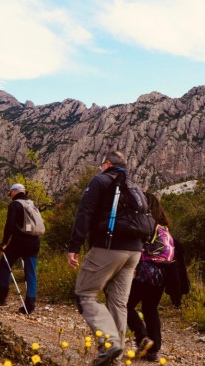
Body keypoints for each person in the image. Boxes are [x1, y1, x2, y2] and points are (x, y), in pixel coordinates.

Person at [67, 151, 146, 366]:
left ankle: (110, 343)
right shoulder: (134, 186)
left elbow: (84, 213)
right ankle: (115, 358)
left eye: (101, 164)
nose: (100, 168)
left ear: (107, 164)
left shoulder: (100, 180)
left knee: (85, 294)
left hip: (109, 247)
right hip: (134, 252)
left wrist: (74, 246)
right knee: (119, 303)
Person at [126, 193, 171, 361]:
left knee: (126, 305)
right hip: (162, 274)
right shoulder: (164, 228)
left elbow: (139, 248)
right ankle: (154, 350)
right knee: (150, 309)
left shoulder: (147, 225)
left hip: (146, 272)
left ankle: (143, 338)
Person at [0, 183, 41, 314]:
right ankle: (30, 304)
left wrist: (4, 242)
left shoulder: (15, 204)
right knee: (30, 272)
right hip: (35, 241)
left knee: (4, 264)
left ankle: (2, 297)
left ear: (13, 192)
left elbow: (10, 224)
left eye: (10, 193)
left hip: (20, 241)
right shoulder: (32, 203)